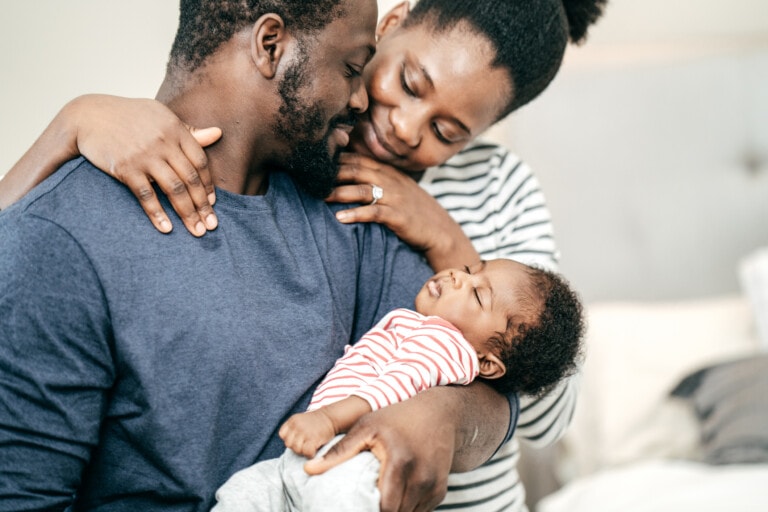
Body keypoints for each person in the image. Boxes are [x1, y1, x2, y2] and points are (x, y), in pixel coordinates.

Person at [0, 1, 607, 510]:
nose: (381, 114)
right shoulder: (67, 233)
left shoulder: (363, 208)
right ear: (271, 44)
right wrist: (72, 120)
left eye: (448, 131)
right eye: (359, 69)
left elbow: (512, 387)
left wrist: (440, 407)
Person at [211, 259, 584, 512]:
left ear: (487, 362)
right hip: (313, 458)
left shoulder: (448, 347)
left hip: (357, 463)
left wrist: (326, 418)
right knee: (242, 494)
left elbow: (389, 393)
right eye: (472, 269)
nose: (458, 276)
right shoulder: (419, 326)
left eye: (476, 294)